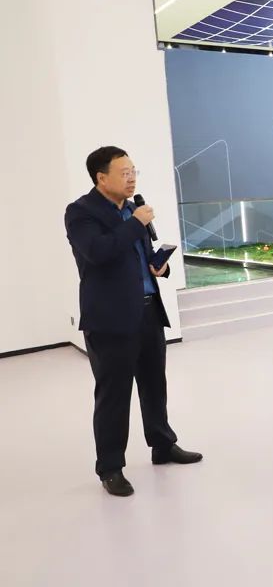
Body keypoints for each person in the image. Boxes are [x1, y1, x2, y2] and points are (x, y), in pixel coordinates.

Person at [65, 146, 202, 497]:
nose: (132, 178)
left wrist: (161, 266)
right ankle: (110, 467)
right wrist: (135, 222)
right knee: (114, 395)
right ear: (101, 178)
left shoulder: (131, 209)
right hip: (110, 319)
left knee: (155, 385)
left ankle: (163, 444)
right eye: (124, 172)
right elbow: (98, 252)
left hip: (148, 310)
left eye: (134, 171)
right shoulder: (81, 212)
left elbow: (141, 254)